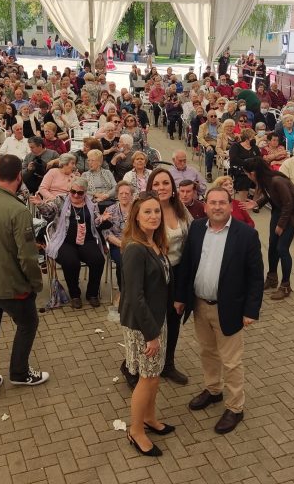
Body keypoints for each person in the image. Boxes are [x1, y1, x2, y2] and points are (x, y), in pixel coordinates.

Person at [174, 186, 263, 434]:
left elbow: (256, 277)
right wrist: (181, 297)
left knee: (232, 361)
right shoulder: (196, 228)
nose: (217, 207)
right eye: (212, 203)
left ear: (230, 204)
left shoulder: (245, 235)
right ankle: (213, 390)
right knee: (207, 352)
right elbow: (187, 266)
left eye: (222, 202)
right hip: (200, 305)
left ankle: (235, 407)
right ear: (205, 206)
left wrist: (250, 311)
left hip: (230, 308)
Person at [0, 154, 48, 400]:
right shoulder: (18, 210)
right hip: (9, 286)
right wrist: (36, 283)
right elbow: (27, 257)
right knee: (28, 323)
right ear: (19, 177)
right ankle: (19, 372)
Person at [120, 191, 173, 457]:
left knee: (154, 377)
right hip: (144, 325)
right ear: (136, 217)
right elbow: (134, 296)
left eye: (156, 211)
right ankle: (136, 430)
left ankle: (150, 419)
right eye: (147, 212)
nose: (153, 216)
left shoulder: (156, 243)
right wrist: (152, 334)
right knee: (147, 378)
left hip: (156, 319)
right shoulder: (134, 249)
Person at [143, 168, 192, 385]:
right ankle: (134, 366)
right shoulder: (147, 210)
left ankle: (168, 365)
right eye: (156, 184)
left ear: (173, 187)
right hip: (155, 274)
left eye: (165, 183)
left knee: (173, 320)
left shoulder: (179, 208)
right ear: (150, 188)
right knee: (152, 322)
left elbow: (192, 235)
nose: (161, 188)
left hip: (178, 273)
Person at [243, 158, 294, 299]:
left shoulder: (276, 180)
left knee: (282, 248)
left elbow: (289, 204)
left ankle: (286, 286)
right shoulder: (266, 180)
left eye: (247, 174)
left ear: (253, 173)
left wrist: (281, 225)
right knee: (273, 245)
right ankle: (272, 278)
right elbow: (269, 195)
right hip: (279, 211)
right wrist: (256, 203)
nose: (247, 177)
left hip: (292, 214)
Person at [45, 177, 111, 308]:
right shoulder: (61, 200)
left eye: (80, 193)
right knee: (71, 262)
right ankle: (75, 294)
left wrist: (102, 219)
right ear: (70, 190)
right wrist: (40, 204)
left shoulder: (92, 203)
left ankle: (92, 294)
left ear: (85, 193)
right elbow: (48, 211)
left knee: (98, 260)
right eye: (73, 191)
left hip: (86, 240)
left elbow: (96, 221)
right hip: (64, 241)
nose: (75, 195)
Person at [104, 181, 134, 294]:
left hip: (136, 243)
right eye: (121, 193)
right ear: (117, 195)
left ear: (131, 195)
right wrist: (122, 244)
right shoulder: (110, 210)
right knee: (123, 261)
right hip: (117, 245)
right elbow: (106, 232)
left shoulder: (137, 209)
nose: (124, 195)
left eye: (127, 193)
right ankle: (124, 292)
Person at [198, 110, 221, 183]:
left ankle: (228, 173)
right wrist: (207, 145)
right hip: (209, 143)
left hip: (219, 144)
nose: (214, 117)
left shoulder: (221, 125)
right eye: (211, 116)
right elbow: (200, 138)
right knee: (210, 152)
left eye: (215, 116)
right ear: (207, 117)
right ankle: (209, 173)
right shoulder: (203, 126)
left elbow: (225, 136)